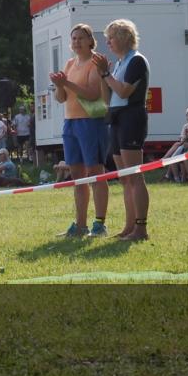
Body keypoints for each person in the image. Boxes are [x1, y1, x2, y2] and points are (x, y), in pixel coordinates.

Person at [49, 23, 111, 238]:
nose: (76, 42)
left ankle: (99, 224)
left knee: (95, 174)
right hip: (71, 122)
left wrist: (67, 83)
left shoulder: (95, 63)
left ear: (90, 41)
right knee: (77, 176)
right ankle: (80, 224)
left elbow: (93, 94)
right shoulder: (69, 63)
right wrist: (59, 85)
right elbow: (61, 97)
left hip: (90, 122)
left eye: (80, 38)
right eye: (73, 38)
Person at [94, 18, 151, 241]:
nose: (107, 42)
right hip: (116, 118)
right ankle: (129, 227)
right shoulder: (118, 63)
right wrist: (102, 74)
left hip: (132, 118)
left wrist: (106, 75)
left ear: (125, 38)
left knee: (135, 175)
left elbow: (125, 92)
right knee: (124, 178)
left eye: (112, 37)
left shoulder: (136, 61)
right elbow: (107, 98)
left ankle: (141, 228)